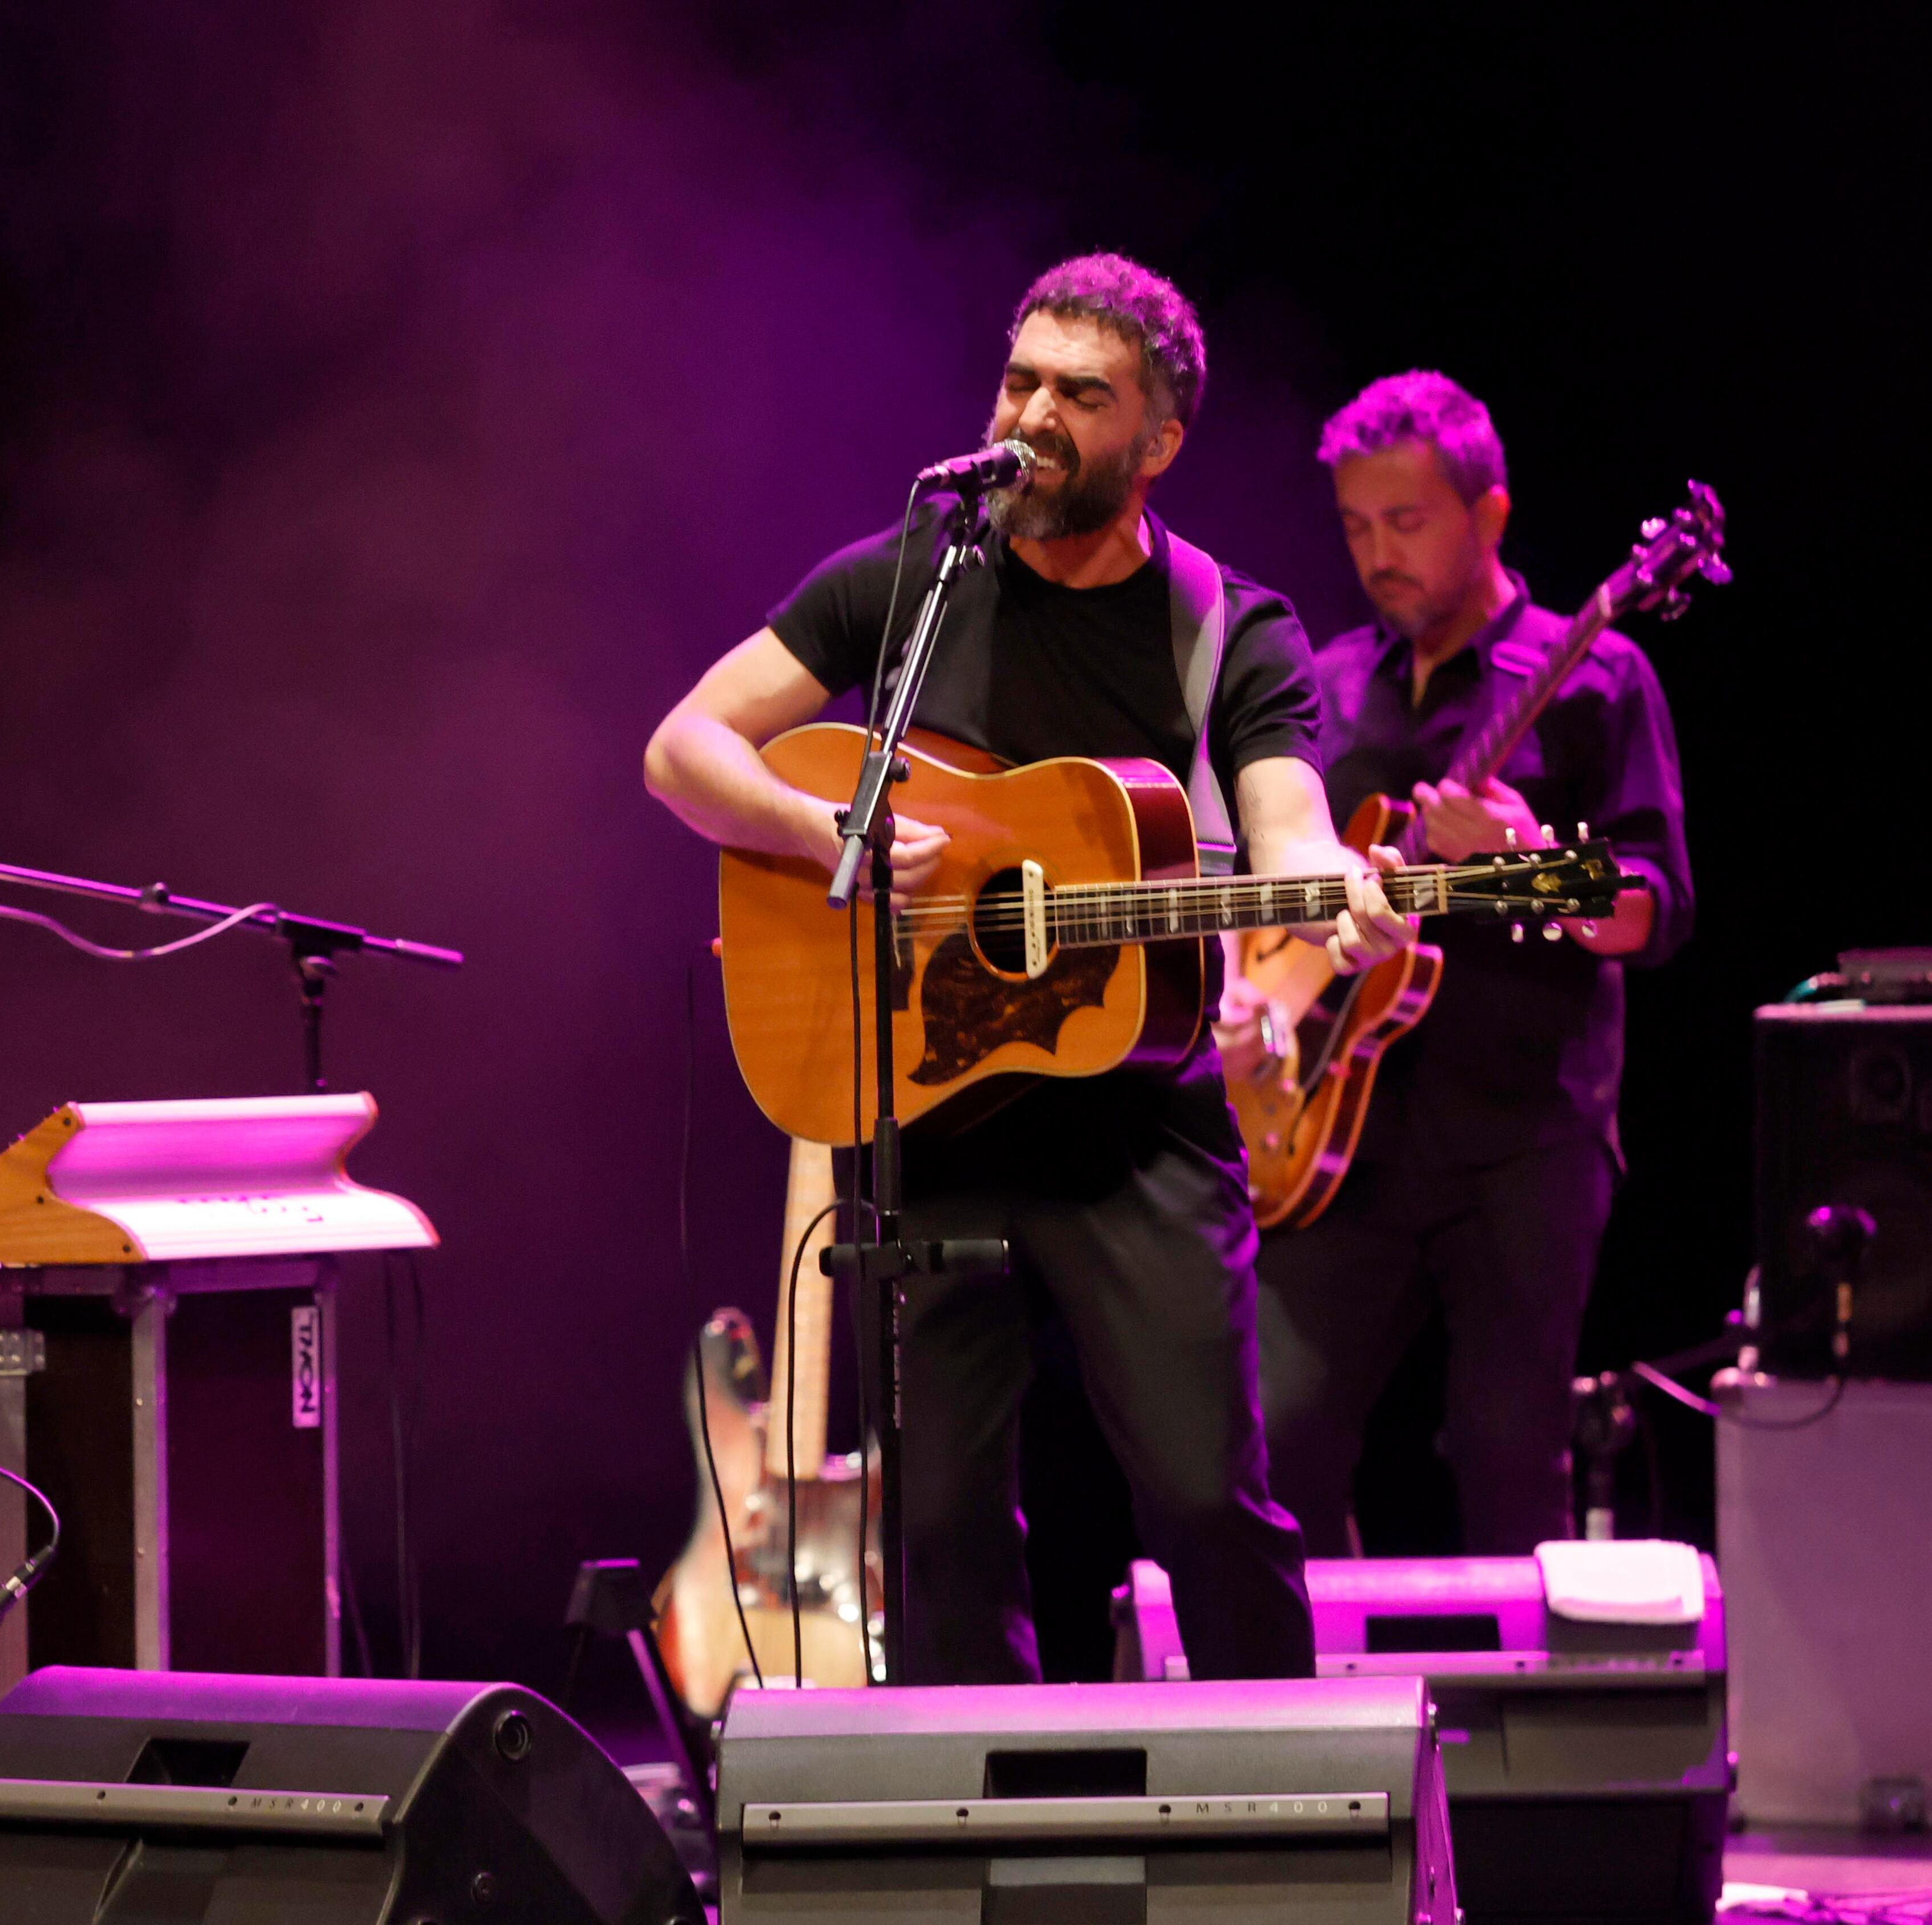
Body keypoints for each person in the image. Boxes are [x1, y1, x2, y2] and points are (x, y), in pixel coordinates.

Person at [643, 253, 1416, 1684]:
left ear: (1158, 440)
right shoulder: (911, 579)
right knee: (935, 1526)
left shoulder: (1228, 629)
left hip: (1140, 1126)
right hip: (934, 1105)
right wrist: (835, 833)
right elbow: (682, 749)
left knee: (1202, 1499)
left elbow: (1284, 822)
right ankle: (972, 1845)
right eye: (1021, 380)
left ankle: (1290, 1833)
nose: (1035, 414)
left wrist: (1341, 885)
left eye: (1081, 392)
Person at [1233, 372, 1692, 1557]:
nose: (1375, 553)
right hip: (1339, 1141)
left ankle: (1505, 1738)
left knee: (1500, 1449)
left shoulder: (1595, 676)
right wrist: (1252, 1002)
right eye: (1353, 525)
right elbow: (1262, 898)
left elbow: (1654, 913)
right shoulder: (1324, 689)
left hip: (1524, 1138)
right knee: (1274, 1441)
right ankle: (1310, 1723)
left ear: (1487, 516)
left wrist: (1536, 857)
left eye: (1406, 521)